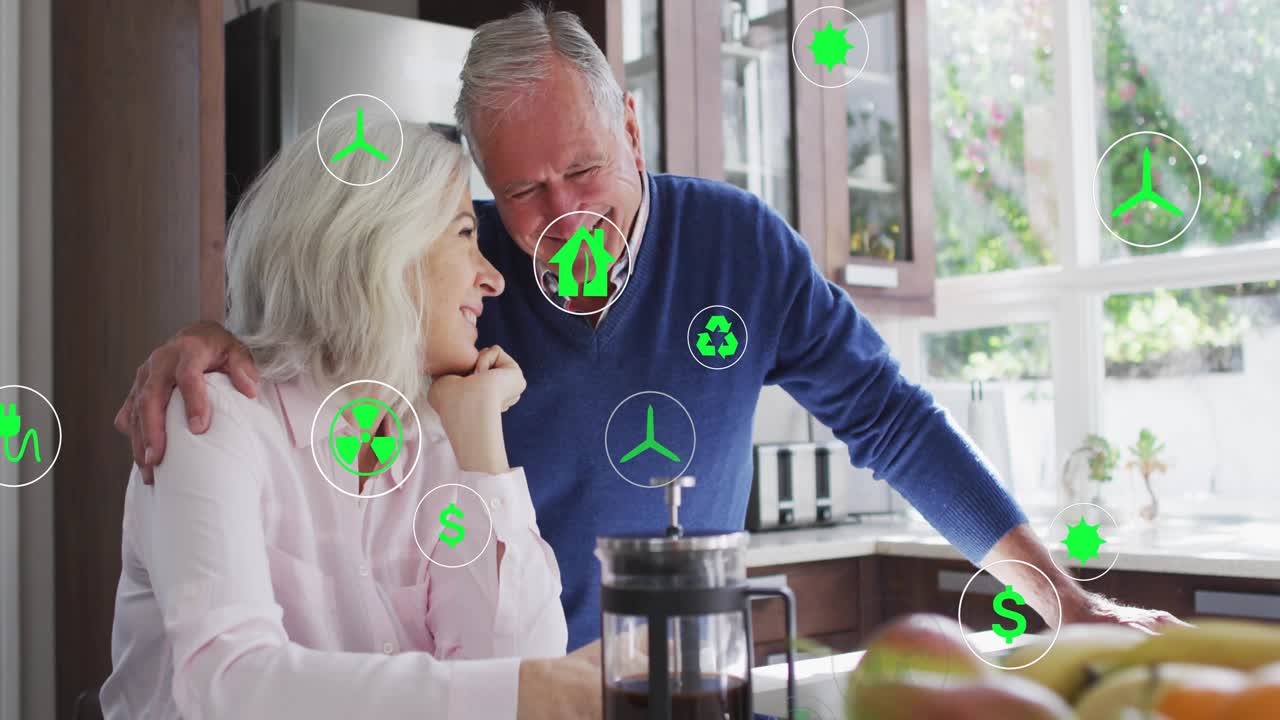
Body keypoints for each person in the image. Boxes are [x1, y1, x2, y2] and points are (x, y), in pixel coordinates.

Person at [115, 6, 1182, 665]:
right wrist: (218, 334)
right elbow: (325, 327)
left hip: (675, 680)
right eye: (522, 190)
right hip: (510, 688)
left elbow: (891, 422)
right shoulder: (461, 270)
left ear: (630, 125)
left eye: (582, 170)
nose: (558, 216)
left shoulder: (736, 248)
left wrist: (1057, 592)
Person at [101, 119, 599, 719]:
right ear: (375, 249)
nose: (491, 278)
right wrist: (529, 692)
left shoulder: (434, 440)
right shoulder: (212, 423)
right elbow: (227, 684)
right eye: (465, 234)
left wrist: (482, 447)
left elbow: (520, 662)